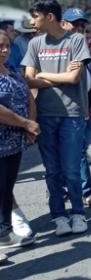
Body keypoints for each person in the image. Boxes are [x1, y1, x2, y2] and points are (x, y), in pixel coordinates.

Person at [21, 0, 91, 235]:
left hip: (72, 114)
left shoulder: (76, 40)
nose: (32, 21)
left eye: (35, 16)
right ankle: (59, 215)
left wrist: (43, 76)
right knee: (52, 170)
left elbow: (74, 79)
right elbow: (28, 78)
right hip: (45, 115)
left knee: (72, 169)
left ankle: (78, 213)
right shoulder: (35, 44)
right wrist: (49, 78)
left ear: (49, 17)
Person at [60, 8, 91, 208]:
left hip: (84, 106)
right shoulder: (59, 48)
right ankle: (85, 191)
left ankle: (62, 185)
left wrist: (88, 104)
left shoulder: (81, 47)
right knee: (76, 150)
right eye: (75, 24)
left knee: (76, 149)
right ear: (63, 24)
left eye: (82, 25)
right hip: (66, 109)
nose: (79, 28)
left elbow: (86, 79)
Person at [0, 31, 38, 262]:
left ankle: (4, 232)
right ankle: (3, 233)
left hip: (14, 144)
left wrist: (30, 127)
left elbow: (29, 97)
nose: (4, 50)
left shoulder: (12, 71)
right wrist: (25, 123)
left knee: (6, 188)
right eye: (0, 46)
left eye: (7, 46)